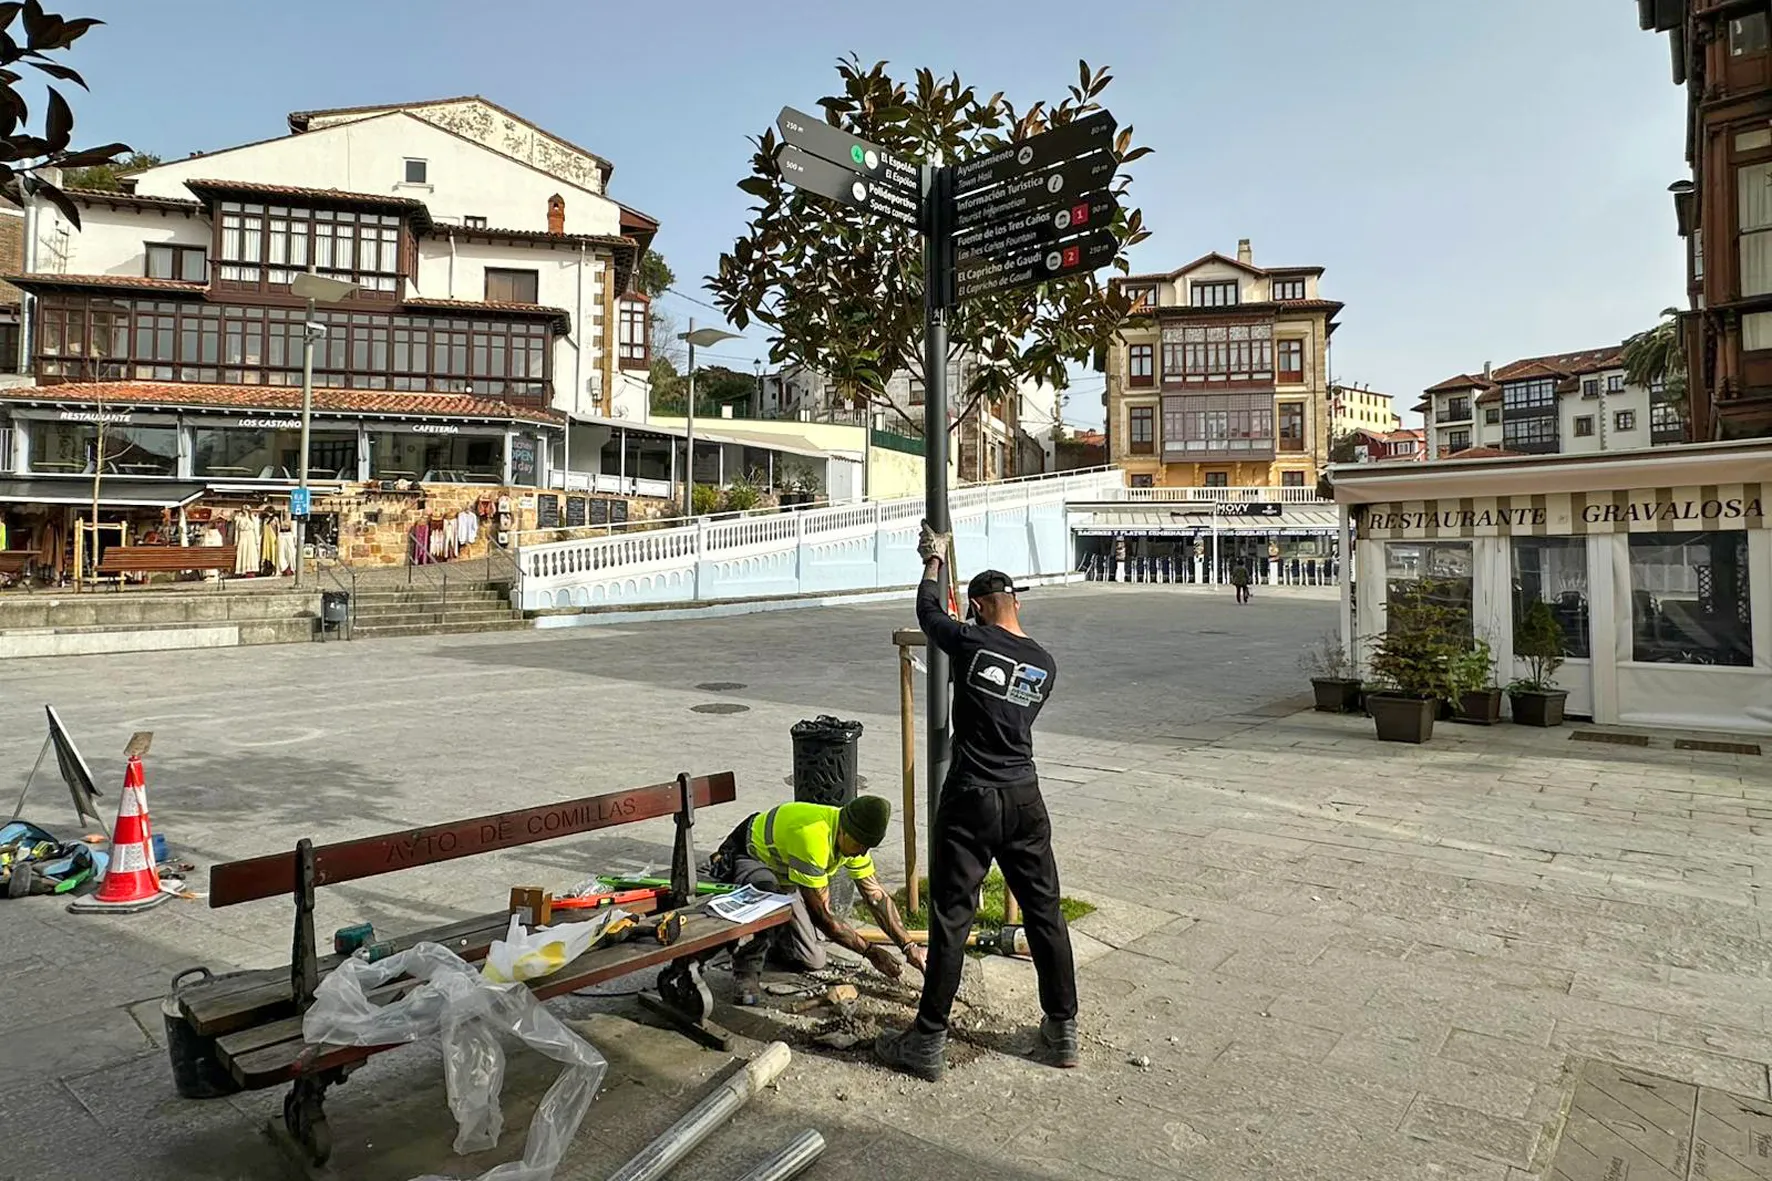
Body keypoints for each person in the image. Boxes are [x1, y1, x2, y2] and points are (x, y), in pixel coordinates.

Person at [875, 526, 1079, 1082]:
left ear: (983, 607)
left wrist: (932, 562)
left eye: (976, 610)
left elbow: (927, 613)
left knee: (950, 917)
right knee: (1045, 912)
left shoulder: (970, 642)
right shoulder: (1045, 664)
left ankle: (928, 1039)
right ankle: (1062, 1030)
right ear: (1015, 604)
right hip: (1025, 797)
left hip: (971, 795)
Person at [710, 795, 925, 1005]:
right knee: (765, 896)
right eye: (861, 845)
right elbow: (823, 919)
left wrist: (909, 945)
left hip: (785, 874)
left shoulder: (855, 840)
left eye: (868, 847)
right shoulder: (813, 837)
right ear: (845, 829)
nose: (862, 853)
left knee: (813, 959)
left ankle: (772, 938)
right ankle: (746, 971)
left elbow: (876, 898)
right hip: (750, 856)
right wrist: (870, 952)